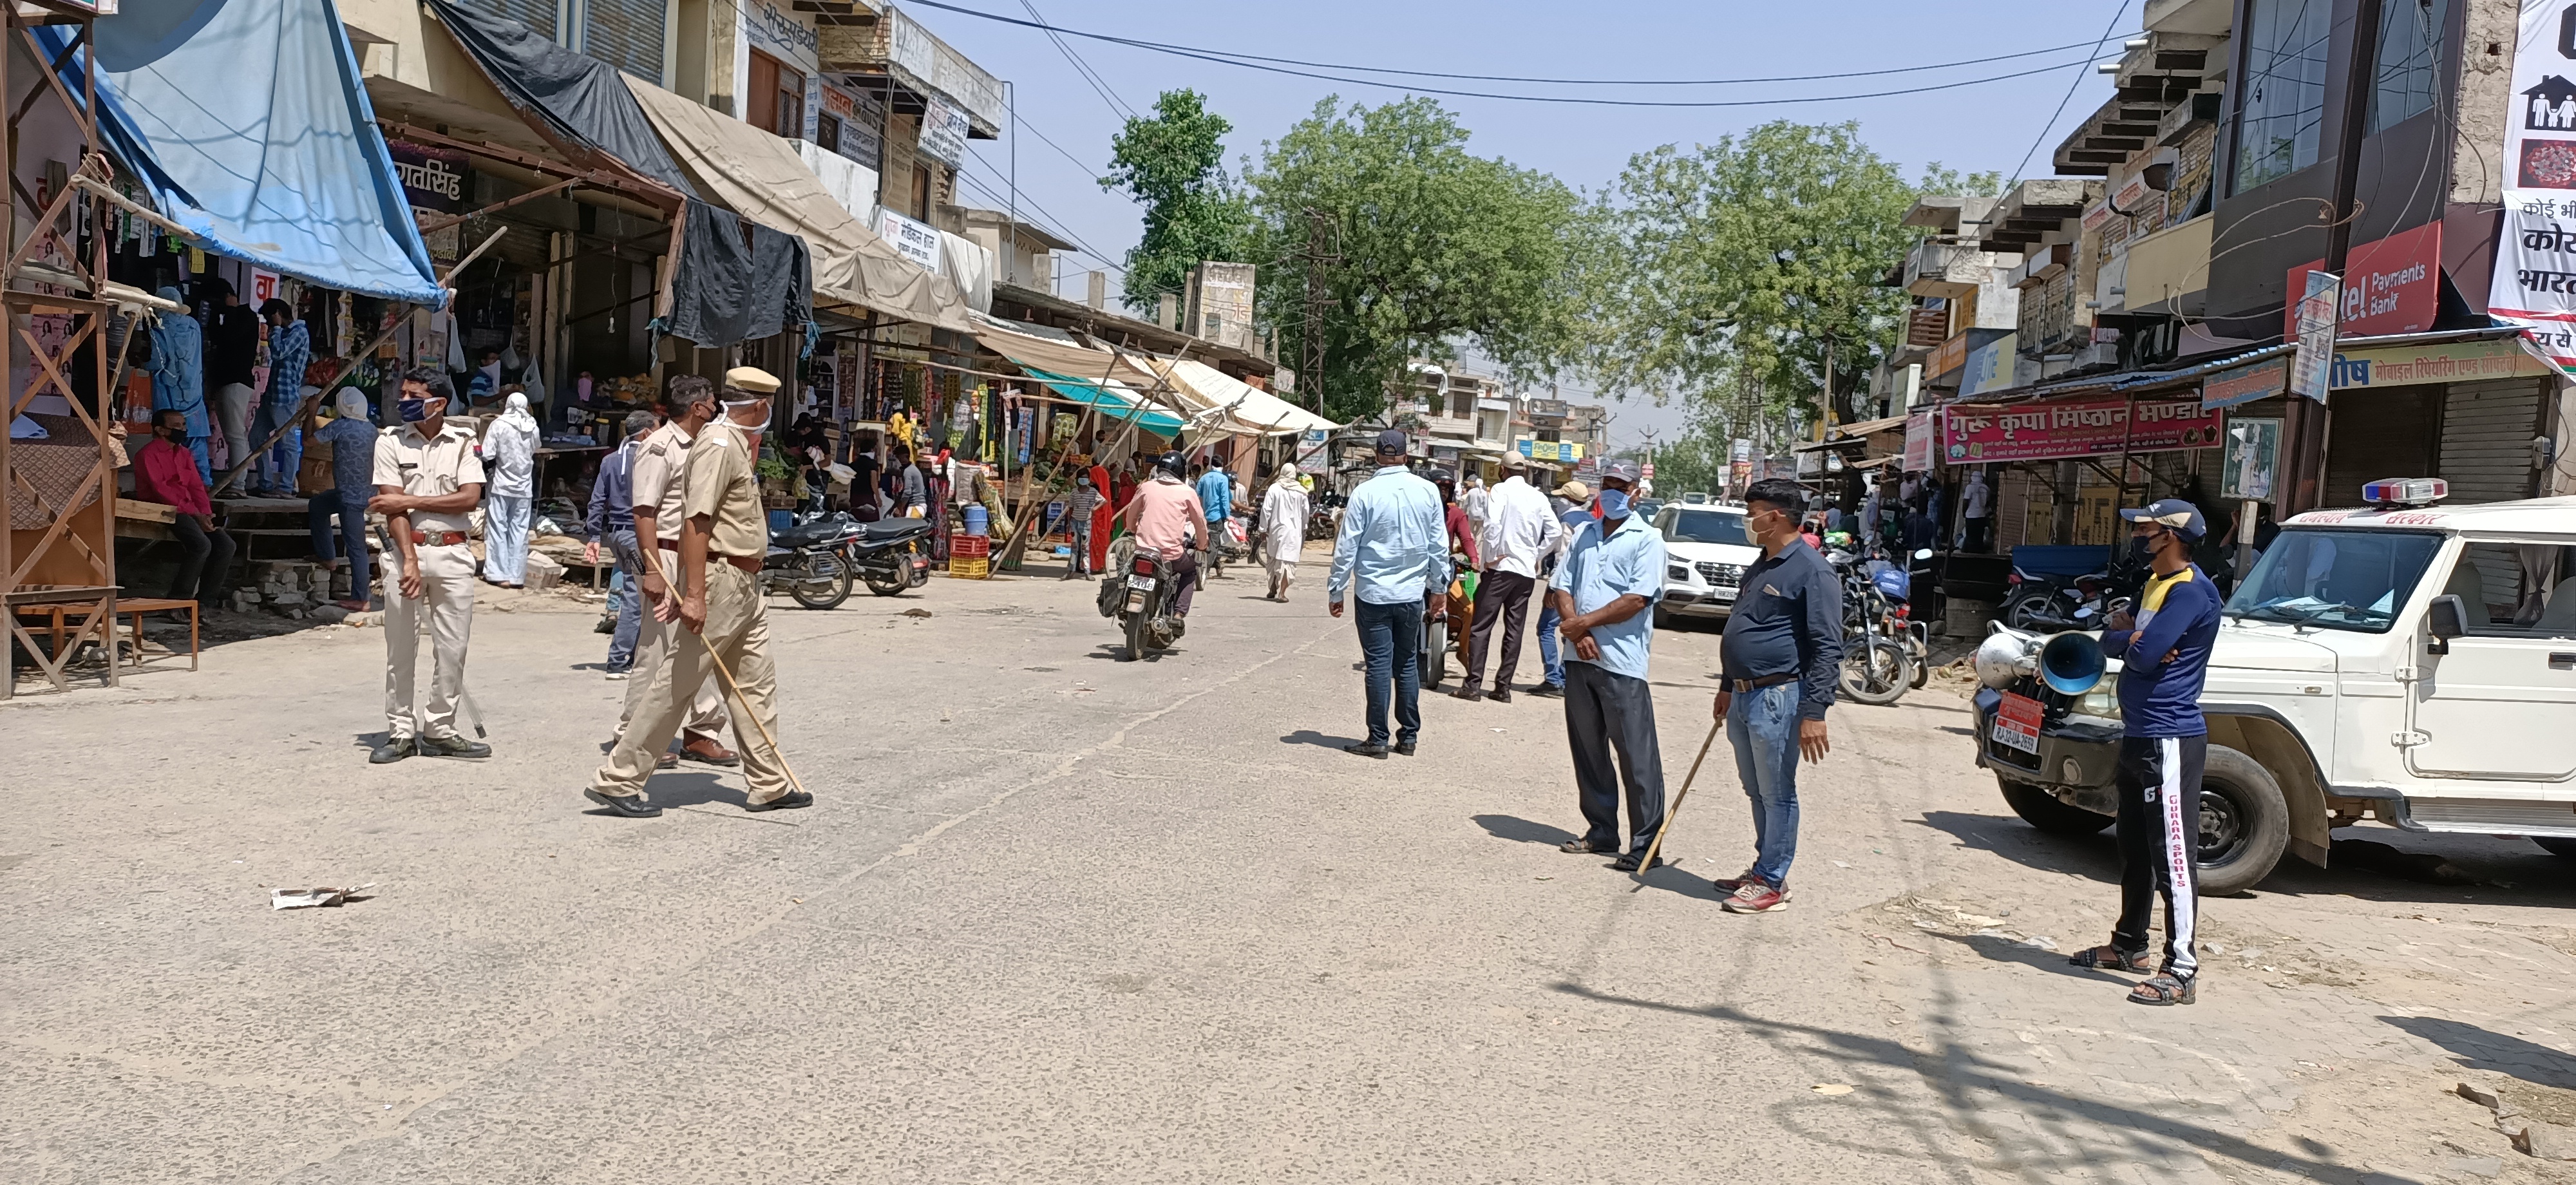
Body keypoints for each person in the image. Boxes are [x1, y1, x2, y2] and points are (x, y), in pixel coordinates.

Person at [587, 367, 811, 817]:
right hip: (722, 578)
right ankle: (619, 778)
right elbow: (696, 521)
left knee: (755, 684)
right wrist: (694, 594)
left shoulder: (732, 444)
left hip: (746, 582)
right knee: (678, 680)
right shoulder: (719, 444)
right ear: (761, 407)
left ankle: (768, 782)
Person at [2070, 499, 2222, 1006]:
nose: (2138, 535)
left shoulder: (2191, 593)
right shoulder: (2156, 585)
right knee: (2133, 845)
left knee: (2173, 856)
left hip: (2170, 738)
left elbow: (2142, 653)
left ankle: (2181, 967)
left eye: (2148, 528)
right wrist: (2128, 636)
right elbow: (2120, 638)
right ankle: (2129, 943)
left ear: (2171, 538)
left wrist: (2131, 639)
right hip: (2139, 734)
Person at [1709, 477, 1844, 913]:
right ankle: (1763, 865)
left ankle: (1772, 880)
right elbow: (1743, 624)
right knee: (1756, 789)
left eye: (1754, 513)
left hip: (1779, 697)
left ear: (1777, 516)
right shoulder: (1763, 563)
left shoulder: (1813, 570)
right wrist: (1728, 685)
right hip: (1744, 696)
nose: (1749, 521)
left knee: (1777, 792)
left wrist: (1814, 711)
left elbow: (1827, 647)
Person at [1548, 460, 1667, 870]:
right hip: (1579, 657)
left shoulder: (1647, 539)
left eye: (1621, 485)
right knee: (1587, 749)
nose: (1613, 490)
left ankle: (1646, 846)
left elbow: (1638, 599)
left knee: (1636, 755)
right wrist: (1578, 633)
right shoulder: (1584, 533)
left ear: (1637, 491)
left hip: (1622, 661)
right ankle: (1601, 830)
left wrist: (1584, 623)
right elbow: (1560, 586)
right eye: (1607, 483)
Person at [368, 368, 491, 764]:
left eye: (413, 394)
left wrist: (409, 501)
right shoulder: (389, 441)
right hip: (407, 553)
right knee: (400, 649)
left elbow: (469, 498)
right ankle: (401, 731)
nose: (403, 400)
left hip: (454, 553)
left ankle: (440, 728)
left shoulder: (462, 441)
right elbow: (391, 508)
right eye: (403, 393)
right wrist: (408, 561)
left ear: (438, 403)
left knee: (453, 648)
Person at [620, 377, 735, 769]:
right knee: (656, 649)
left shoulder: (705, 444)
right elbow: (643, 512)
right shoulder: (659, 447)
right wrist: (653, 570)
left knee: (697, 645)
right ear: (699, 408)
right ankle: (632, 733)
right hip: (665, 556)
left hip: (692, 559)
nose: (717, 406)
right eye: (713, 401)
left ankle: (702, 731)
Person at [1327, 429, 1450, 759]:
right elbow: (1439, 546)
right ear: (1406, 456)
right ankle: (1408, 737)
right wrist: (1439, 588)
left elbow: (1347, 546)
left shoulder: (1364, 493)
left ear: (1377, 456)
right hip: (1411, 593)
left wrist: (1336, 589)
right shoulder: (1428, 492)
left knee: (1379, 665)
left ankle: (1378, 739)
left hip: (1373, 594)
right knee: (1407, 662)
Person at [1457, 452, 1562, 704]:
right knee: (1514, 630)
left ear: (1503, 470)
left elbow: (1492, 525)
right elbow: (1555, 531)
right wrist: (1536, 553)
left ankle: (1473, 685)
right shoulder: (1538, 496)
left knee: (1481, 627)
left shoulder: (1500, 490)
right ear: (1524, 471)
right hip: (1525, 573)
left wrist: (1491, 557)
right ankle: (1502, 688)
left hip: (1501, 568)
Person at [133, 408, 236, 613]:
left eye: (183, 425)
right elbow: (162, 491)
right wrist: (195, 514)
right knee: (201, 545)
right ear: (160, 430)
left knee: (226, 545)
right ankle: (178, 602)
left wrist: (206, 513)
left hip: (188, 510)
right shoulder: (147, 454)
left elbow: (196, 486)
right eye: (176, 426)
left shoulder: (184, 453)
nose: (183, 430)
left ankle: (204, 604)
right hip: (161, 509)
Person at [585, 410, 659, 678]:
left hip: (617, 535)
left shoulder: (611, 461)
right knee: (634, 599)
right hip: (637, 536)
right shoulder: (651, 459)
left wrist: (594, 536)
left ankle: (633, 656)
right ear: (647, 432)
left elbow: (596, 501)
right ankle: (619, 661)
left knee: (634, 593)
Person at [307, 390, 379, 611]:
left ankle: (361, 598)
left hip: (349, 497)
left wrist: (311, 413)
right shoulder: (371, 429)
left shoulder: (340, 426)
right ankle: (328, 557)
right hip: (363, 492)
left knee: (356, 548)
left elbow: (308, 441)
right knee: (318, 505)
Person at [1122, 450, 1207, 620]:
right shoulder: (1187, 492)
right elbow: (1200, 523)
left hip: (1143, 551)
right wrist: (1202, 545)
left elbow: (1131, 513)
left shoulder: (1146, 487)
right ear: (1182, 472)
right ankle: (1178, 614)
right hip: (1171, 556)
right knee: (1190, 571)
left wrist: (1132, 529)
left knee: (1129, 571)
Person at [1528, 480, 1593, 700]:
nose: (1557, 502)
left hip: (1565, 586)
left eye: (1560, 498)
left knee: (1546, 628)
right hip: (1586, 587)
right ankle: (1568, 676)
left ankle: (1554, 679)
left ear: (1568, 500)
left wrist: (1552, 589)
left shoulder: (1567, 523)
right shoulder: (1594, 521)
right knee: (1572, 629)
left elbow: (1562, 560)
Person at [146, 285, 211, 484]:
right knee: (197, 444)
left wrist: (143, 364)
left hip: (170, 394)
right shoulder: (194, 326)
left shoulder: (159, 328)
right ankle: (204, 483)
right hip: (194, 393)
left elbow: (158, 361)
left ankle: (176, 484)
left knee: (171, 441)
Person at [481, 390, 540, 587]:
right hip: (524, 487)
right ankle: (516, 577)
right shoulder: (533, 426)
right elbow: (536, 448)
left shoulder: (498, 425)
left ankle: (498, 574)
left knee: (498, 528)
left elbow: (488, 455)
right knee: (520, 530)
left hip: (500, 485)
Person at [202, 278, 259, 482]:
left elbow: (231, 336)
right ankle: (237, 480)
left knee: (235, 435)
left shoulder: (247, 316)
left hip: (237, 381)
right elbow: (218, 336)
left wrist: (231, 310)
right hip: (225, 381)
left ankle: (239, 483)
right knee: (232, 435)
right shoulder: (227, 317)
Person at [251, 299, 310, 497]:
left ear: (277, 313)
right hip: (272, 395)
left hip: (285, 397)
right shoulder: (287, 332)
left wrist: (275, 329)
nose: (268, 323)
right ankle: (266, 483)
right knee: (256, 437)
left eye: (269, 318)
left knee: (288, 443)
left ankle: (286, 487)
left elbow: (278, 352)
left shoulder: (299, 332)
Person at [1259, 462, 1311, 601]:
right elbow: (1306, 512)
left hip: (1276, 530)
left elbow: (1266, 509)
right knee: (1288, 561)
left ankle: (1272, 586)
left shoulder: (1274, 488)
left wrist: (1263, 528)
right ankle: (1282, 593)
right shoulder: (1302, 491)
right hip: (1294, 532)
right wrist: (1304, 526)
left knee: (1273, 558)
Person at [1194, 459, 1233, 576]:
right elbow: (1225, 499)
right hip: (1217, 517)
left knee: (1203, 542)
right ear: (1222, 465)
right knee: (1214, 545)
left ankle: (1206, 566)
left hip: (1204, 516)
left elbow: (1197, 495)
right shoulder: (1223, 479)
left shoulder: (1204, 478)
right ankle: (1205, 571)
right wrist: (1228, 515)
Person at [1063, 472, 1104, 580]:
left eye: (1085, 478)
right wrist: (1068, 523)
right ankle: (1071, 571)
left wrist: (1095, 508)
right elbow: (1070, 509)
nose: (1083, 480)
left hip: (1086, 523)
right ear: (1078, 479)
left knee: (1085, 548)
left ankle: (1087, 572)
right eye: (1082, 478)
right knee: (1074, 547)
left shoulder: (1093, 492)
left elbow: (1104, 501)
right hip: (1074, 522)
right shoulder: (1074, 493)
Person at [1961, 470, 1993, 553]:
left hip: (1971, 516)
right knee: (1979, 536)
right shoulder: (1986, 488)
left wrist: (1964, 513)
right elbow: (1988, 502)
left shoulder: (1970, 487)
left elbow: (1966, 501)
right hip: (1982, 515)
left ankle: (1969, 552)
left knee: (1970, 536)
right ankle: (1978, 552)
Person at [1460, 474, 1492, 547]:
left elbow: (1466, 504)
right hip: (1481, 516)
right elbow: (1486, 506)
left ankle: (1470, 545)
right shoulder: (1484, 493)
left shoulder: (1471, 492)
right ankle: (1476, 546)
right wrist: (1487, 516)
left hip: (1472, 515)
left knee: (1470, 531)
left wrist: (1463, 513)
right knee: (1479, 533)